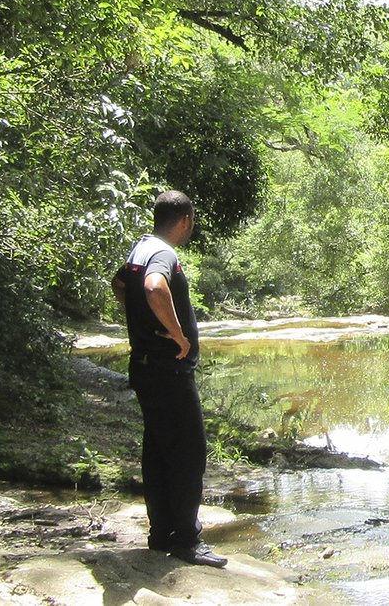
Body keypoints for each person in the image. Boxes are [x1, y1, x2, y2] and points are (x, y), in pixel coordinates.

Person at [119, 190, 227, 568]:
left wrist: (145, 324)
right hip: (168, 370)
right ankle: (186, 539)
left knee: (159, 449)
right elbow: (152, 287)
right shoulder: (163, 253)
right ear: (184, 220)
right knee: (188, 452)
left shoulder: (140, 248)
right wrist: (178, 334)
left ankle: (160, 532)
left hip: (146, 367)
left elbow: (121, 285)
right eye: (192, 222)